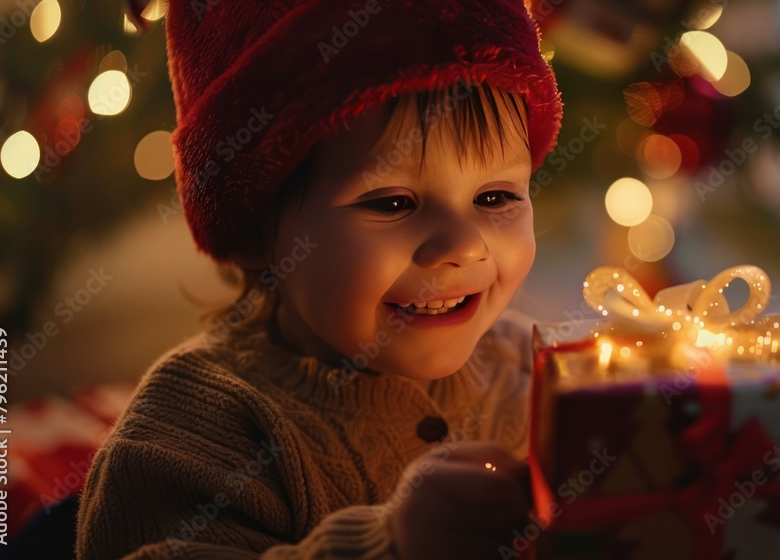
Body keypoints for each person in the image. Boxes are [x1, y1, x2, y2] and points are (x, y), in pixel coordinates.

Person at [75, 0, 563, 558]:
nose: (462, 245)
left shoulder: (533, 375)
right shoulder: (190, 437)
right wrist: (389, 546)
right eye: (394, 202)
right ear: (258, 230)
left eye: (495, 197)